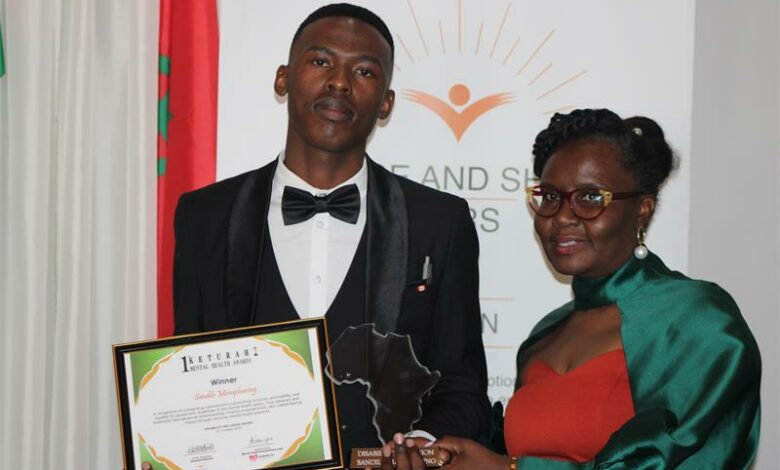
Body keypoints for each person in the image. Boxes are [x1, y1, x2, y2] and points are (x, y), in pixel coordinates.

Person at [171, 2, 490, 460]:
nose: (339, 82)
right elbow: (189, 372)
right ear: (283, 78)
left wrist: (418, 448)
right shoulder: (204, 216)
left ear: (386, 102)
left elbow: (462, 386)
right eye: (321, 61)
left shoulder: (441, 221)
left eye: (363, 71)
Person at [382, 108, 761, 469]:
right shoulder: (545, 335)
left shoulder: (697, 319)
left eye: (590, 197)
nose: (562, 216)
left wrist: (506, 468)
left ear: (643, 209)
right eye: (549, 196)